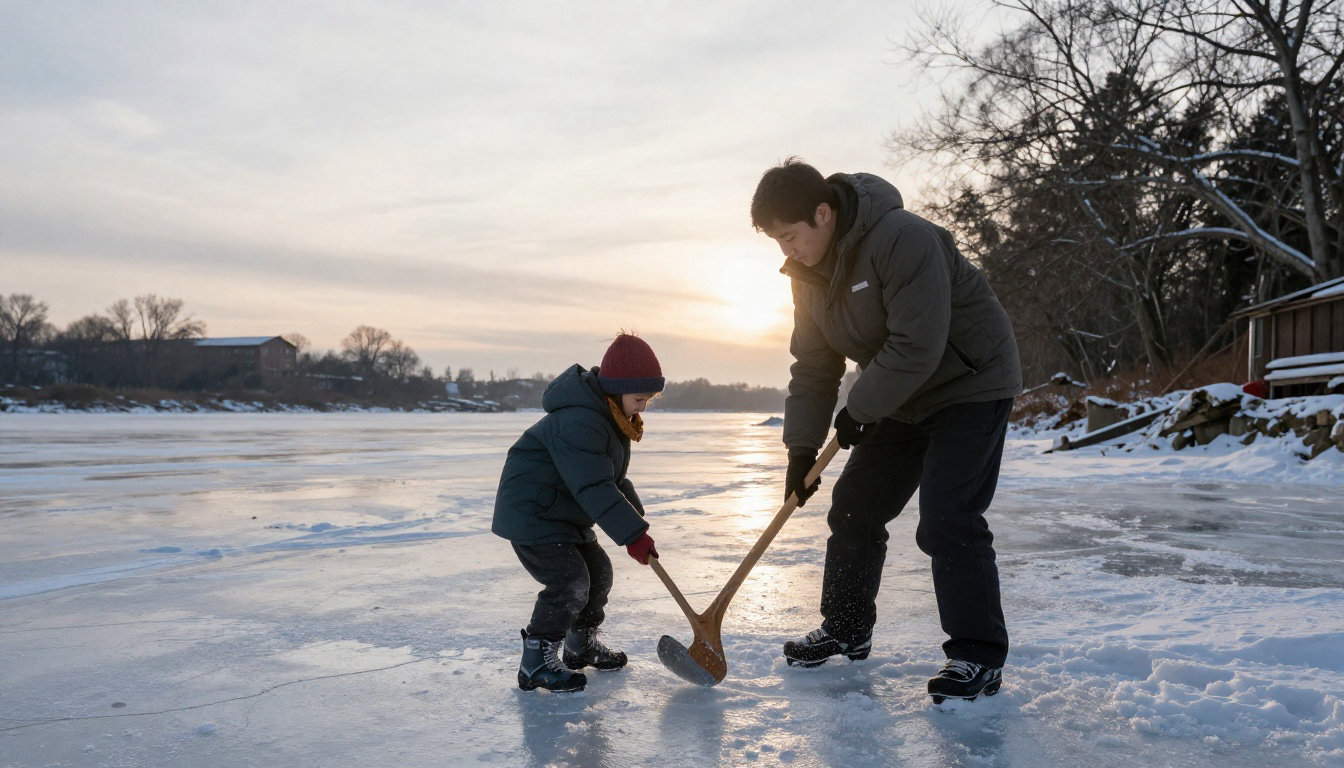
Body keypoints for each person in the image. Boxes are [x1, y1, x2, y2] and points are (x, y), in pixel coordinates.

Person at [751, 158, 1022, 703]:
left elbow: (917, 344)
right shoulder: (808, 276)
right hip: (901, 395)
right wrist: (801, 449)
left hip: (970, 383)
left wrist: (860, 408)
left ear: (823, 213)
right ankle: (847, 629)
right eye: (777, 241)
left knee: (948, 515)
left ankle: (977, 655)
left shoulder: (903, 238)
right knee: (855, 505)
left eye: (790, 236)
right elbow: (814, 366)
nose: (787, 251)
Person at [492, 333, 665, 692]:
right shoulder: (580, 422)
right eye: (639, 399)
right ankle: (536, 661)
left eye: (648, 400)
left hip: (563, 511)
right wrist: (632, 534)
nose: (643, 408)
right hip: (534, 512)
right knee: (569, 581)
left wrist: (636, 523)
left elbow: (610, 479)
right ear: (616, 390)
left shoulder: (609, 418)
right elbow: (594, 486)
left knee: (598, 572)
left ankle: (579, 644)